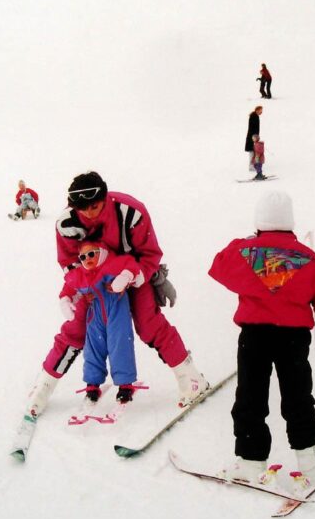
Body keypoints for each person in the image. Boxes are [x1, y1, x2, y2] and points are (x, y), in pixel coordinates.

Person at [208, 190, 315, 487]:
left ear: (259, 222)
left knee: (250, 396)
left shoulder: (245, 252)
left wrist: (251, 244)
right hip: (293, 338)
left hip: (253, 336)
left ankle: (251, 461)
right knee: (298, 396)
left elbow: (219, 265)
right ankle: (309, 460)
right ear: (290, 223)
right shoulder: (309, 258)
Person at [24, 171, 209, 417]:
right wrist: (75, 292)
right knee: (75, 329)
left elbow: (150, 254)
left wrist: (132, 277)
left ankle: (191, 379)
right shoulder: (66, 225)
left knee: (149, 325)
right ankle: (44, 386)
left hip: (132, 275)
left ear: (105, 197)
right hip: (93, 283)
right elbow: (70, 263)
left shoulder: (131, 212)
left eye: (95, 206)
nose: (90, 213)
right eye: (83, 208)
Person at [61, 240, 144, 418]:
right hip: (95, 316)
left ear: (103, 252)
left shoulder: (114, 264)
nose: (87, 259)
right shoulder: (81, 274)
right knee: (92, 349)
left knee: (119, 346)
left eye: (92, 254)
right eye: (83, 257)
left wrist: (124, 277)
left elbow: (133, 267)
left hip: (116, 313)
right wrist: (65, 300)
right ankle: (92, 385)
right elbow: (69, 287)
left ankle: (125, 385)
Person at [245, 106, 263, 172]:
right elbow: (252, 128)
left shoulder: (255, 116)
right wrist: (255, 137)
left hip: (254, 137)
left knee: (254, 152)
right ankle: (251, 166)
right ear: (257, 110)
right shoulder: (253, 116)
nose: (261, 112)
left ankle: (253, 165)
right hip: (252, 138)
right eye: (261, 110)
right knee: (252, 152)